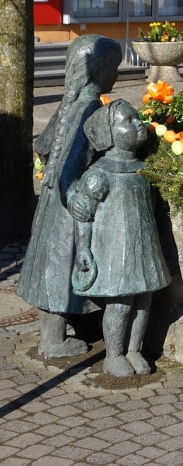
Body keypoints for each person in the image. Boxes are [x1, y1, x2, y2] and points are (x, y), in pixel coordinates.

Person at [17, 35, 122, 358]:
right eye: (114, 67)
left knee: (50, 265)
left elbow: (44, 145)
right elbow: (76, 158)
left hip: (51, 201)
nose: (116, 75)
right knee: (61, 267)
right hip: (68, 204)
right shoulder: (90, 108)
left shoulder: (68, 104)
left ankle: (56, 332)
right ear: (99, 71)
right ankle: (53, 341)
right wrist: (73, 193)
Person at [71, 100, 170, 377]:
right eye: (128, 120)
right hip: (114, 250)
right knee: (121, 303)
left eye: (137, 118)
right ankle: (114, 355)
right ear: (108, 134)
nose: (138, 123)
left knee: (144, 299)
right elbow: (84, 215)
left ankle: (134, 349)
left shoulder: (142, 169)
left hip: (143, 246)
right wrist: (84, 249)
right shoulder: (99, 175)